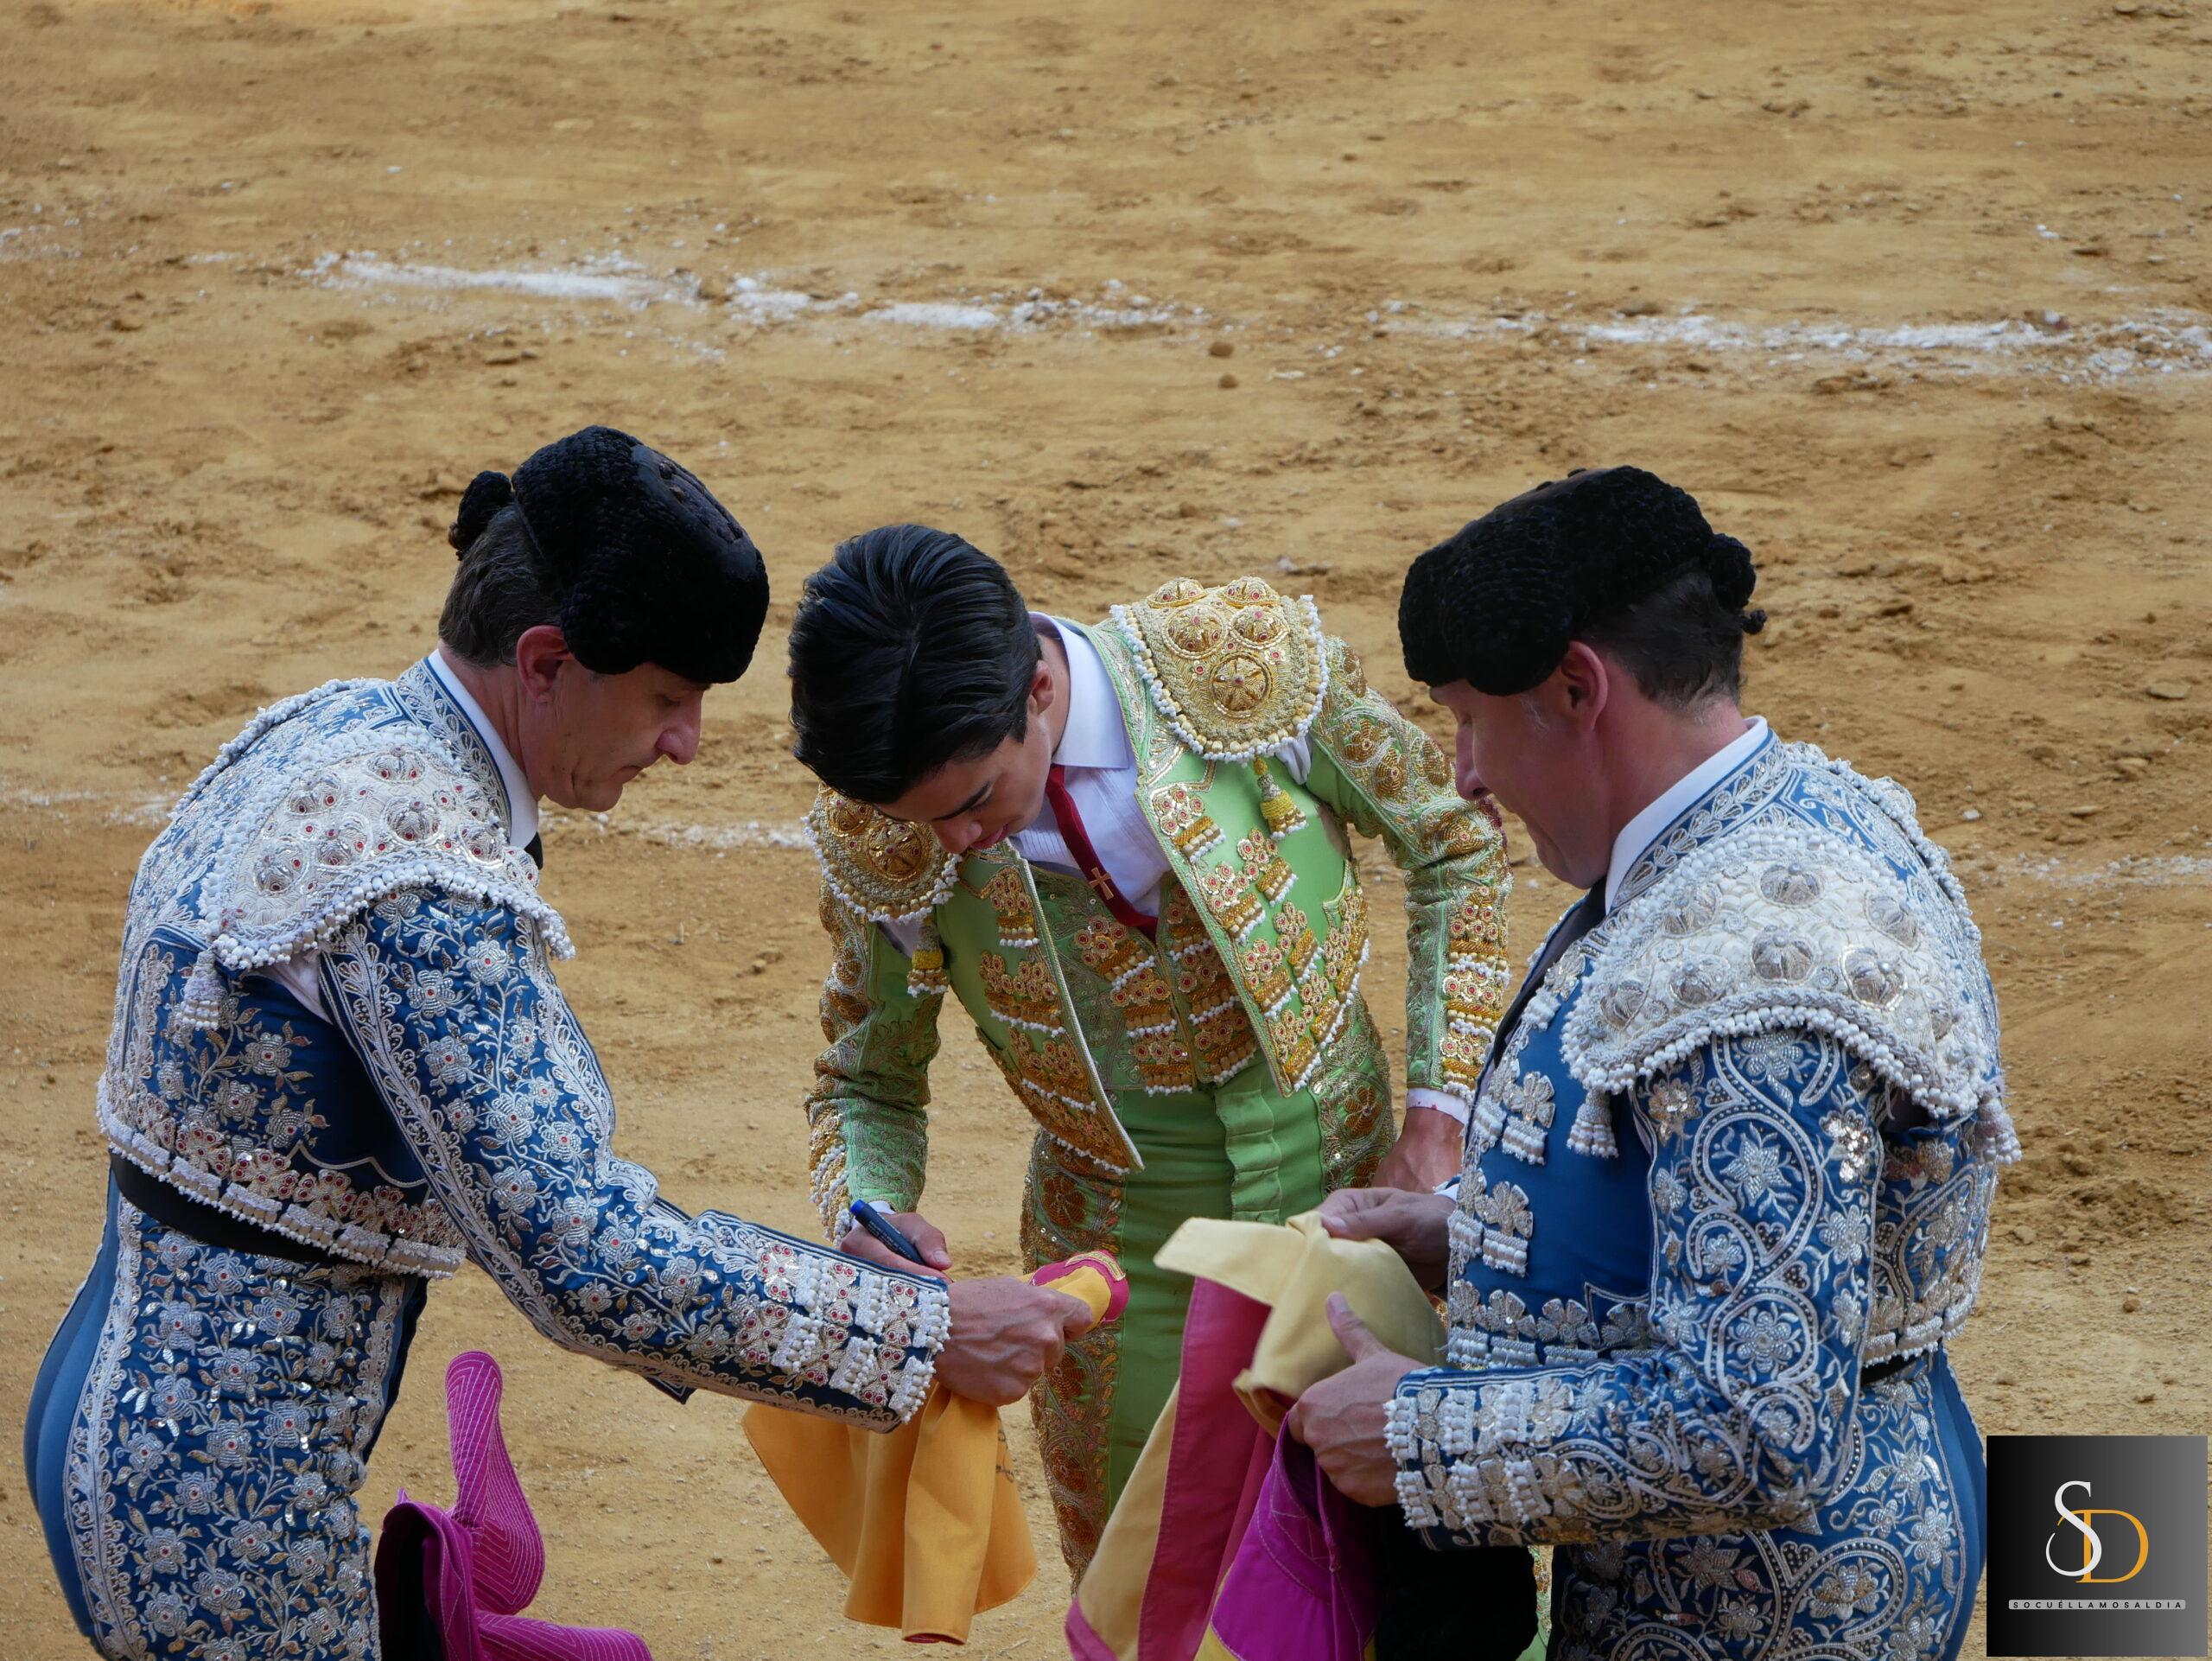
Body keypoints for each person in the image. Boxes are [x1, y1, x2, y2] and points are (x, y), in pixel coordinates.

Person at [23, 429, 1087, 1661]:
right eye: (667, 697)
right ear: (544, 662)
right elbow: (582, 1256)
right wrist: (922, 1329)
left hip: (143, 1407)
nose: (685, 742)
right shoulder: (420, 874)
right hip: (219, 1500)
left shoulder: (341, 730)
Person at [1286, 467, 2014, 1659]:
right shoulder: (1783, 814)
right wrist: (1477, 1238)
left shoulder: (1749, 968)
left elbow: (1758, 1425)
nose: (1465, 773)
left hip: (1763, 1606)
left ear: (1578, 688)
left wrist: (1423, 1433)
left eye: (1472, 719)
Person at [785, 526, 1513, 1572]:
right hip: (1116, 1272)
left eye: (973, 799)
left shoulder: (1240, 665)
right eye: (918, 818)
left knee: (1405, 1587)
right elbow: (866, 1082)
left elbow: (1452, 844)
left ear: (1039, 689)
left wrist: (1440, 1118)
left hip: (1357, 1206)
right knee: (1152, 1591)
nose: (950, 843)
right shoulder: (883, 839)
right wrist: (866, 1211)